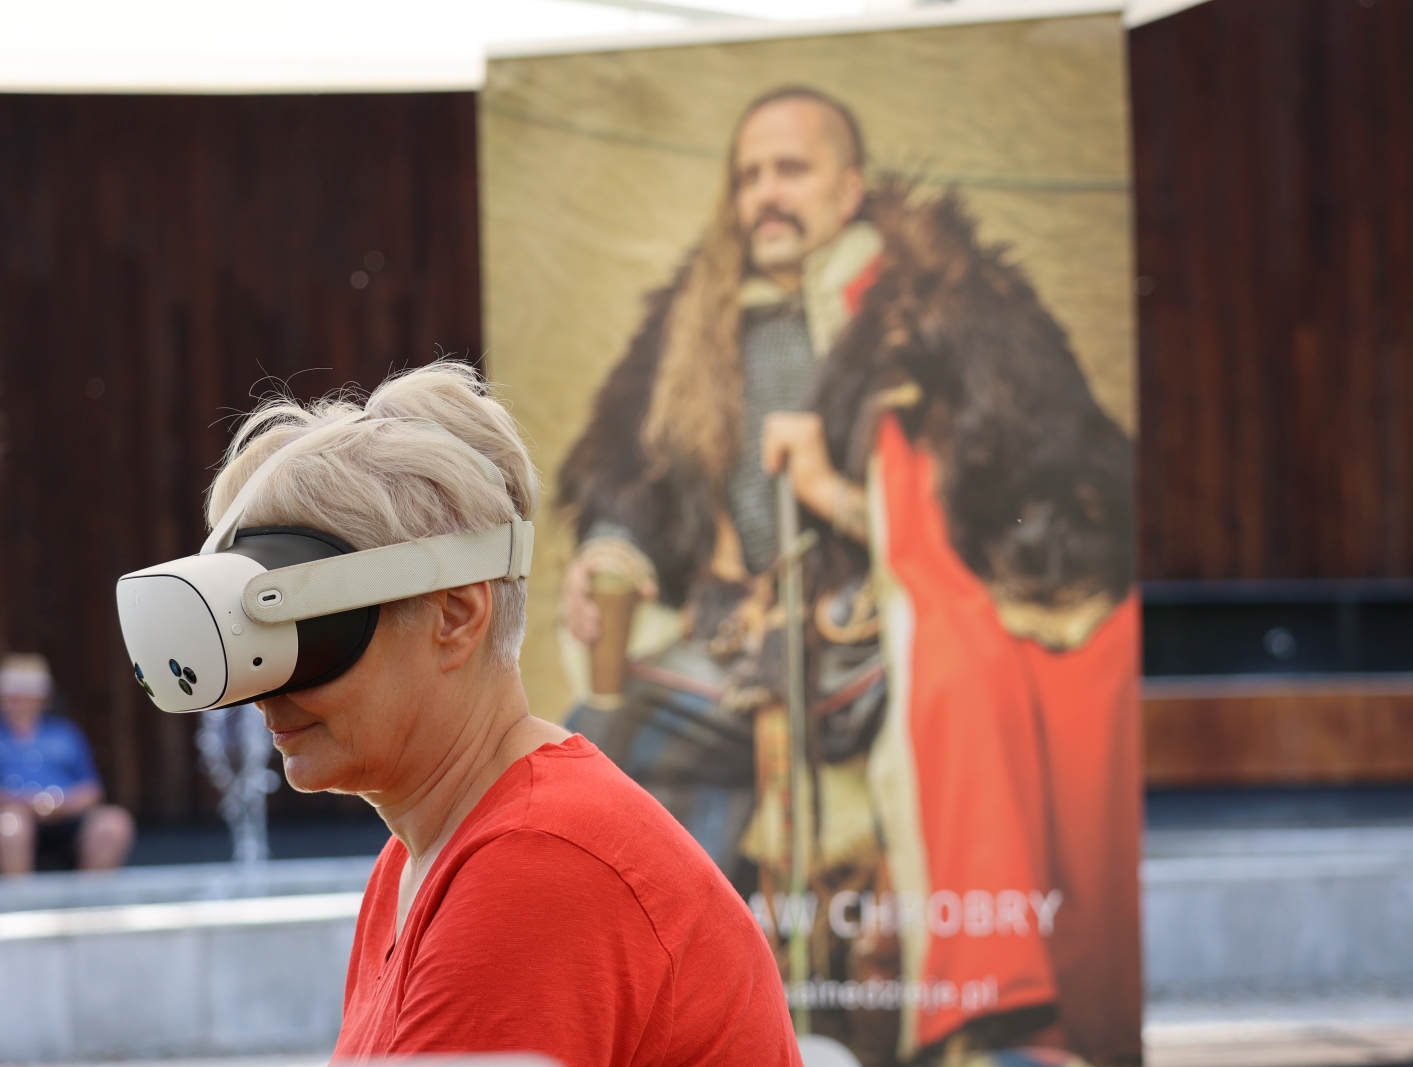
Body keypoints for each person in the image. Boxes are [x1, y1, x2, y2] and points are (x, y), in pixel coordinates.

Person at [558, 87, 1140, 1065]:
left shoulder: (946, 314)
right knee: (599, 746)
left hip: (883, 641)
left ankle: (980, 1028)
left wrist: (837, 491)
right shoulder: (692, 329)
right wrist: (610, 551)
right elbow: (634, 477)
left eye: (790, 170)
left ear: (850, 186)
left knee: (946, 700)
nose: (765, 194)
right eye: (748, 176)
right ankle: (672, 1022)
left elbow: (1024, 492)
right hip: (737, 639)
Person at [204, 364, 797, 1064]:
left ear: (456, 615)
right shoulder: (422, 857)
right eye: (266, 644)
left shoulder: (537, 862)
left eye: (313, 630)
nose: (269, 690)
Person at [0, 653, 135, 875]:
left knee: (114, 822)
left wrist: (57, 805)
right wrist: (25, 804)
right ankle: (19, 896)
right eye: (13, 695)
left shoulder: (66, 734)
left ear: (43, 697)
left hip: (69, 822)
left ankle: (91, 896)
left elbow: (92, 790)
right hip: (13, 823)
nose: (18, 701)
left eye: (26, 694)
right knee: (11, 826)